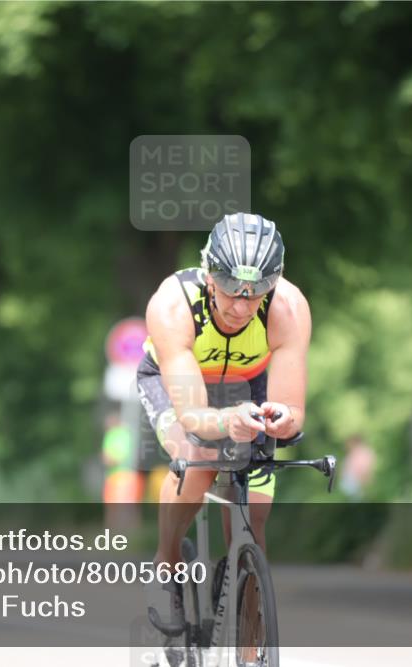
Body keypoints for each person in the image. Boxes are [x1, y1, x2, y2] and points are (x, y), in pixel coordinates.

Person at [136, 213, 311, 636]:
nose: (240, 306)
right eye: (231, 288)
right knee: (195, 456)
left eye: (256, 294)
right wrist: (226, 421)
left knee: (253, 516)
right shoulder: (173, 305)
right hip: (177, 384)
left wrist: (282, 420)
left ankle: (247, 621)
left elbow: (293, 411)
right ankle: (168, 563)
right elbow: (194, 416)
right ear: (209, 272)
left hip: (248, 384)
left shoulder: (288, 308)